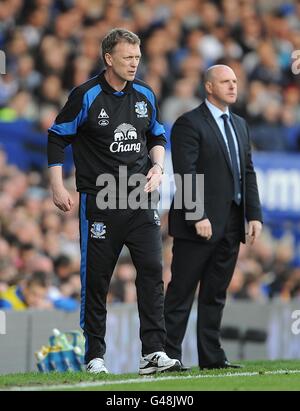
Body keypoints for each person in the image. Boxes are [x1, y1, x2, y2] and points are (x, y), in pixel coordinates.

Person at [47, 28, 180, 375]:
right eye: (127, 57)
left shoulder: (145, 94)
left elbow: (157, 134)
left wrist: (158, 165)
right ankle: (94, 356)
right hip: (100, 201)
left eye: (137, 57)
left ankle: (153, 353)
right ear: (109, 58)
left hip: (139, 199)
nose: (134, 63)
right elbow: (57, 138)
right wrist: (56, 186)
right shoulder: (86, 95)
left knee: (152, 272)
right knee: (98, 281)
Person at [165, 65, 263, 369]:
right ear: (209, 86)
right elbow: (185, 171)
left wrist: (254, 215)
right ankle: (167, 356)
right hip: (199, 225)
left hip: (232, 224)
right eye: (225, 81)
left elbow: (246, 171)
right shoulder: (189, 123)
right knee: (181, 293)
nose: (233, 86)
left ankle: (212, 357)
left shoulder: (240, 125)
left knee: (215, 294)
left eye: (235, 81)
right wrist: (198, 215)